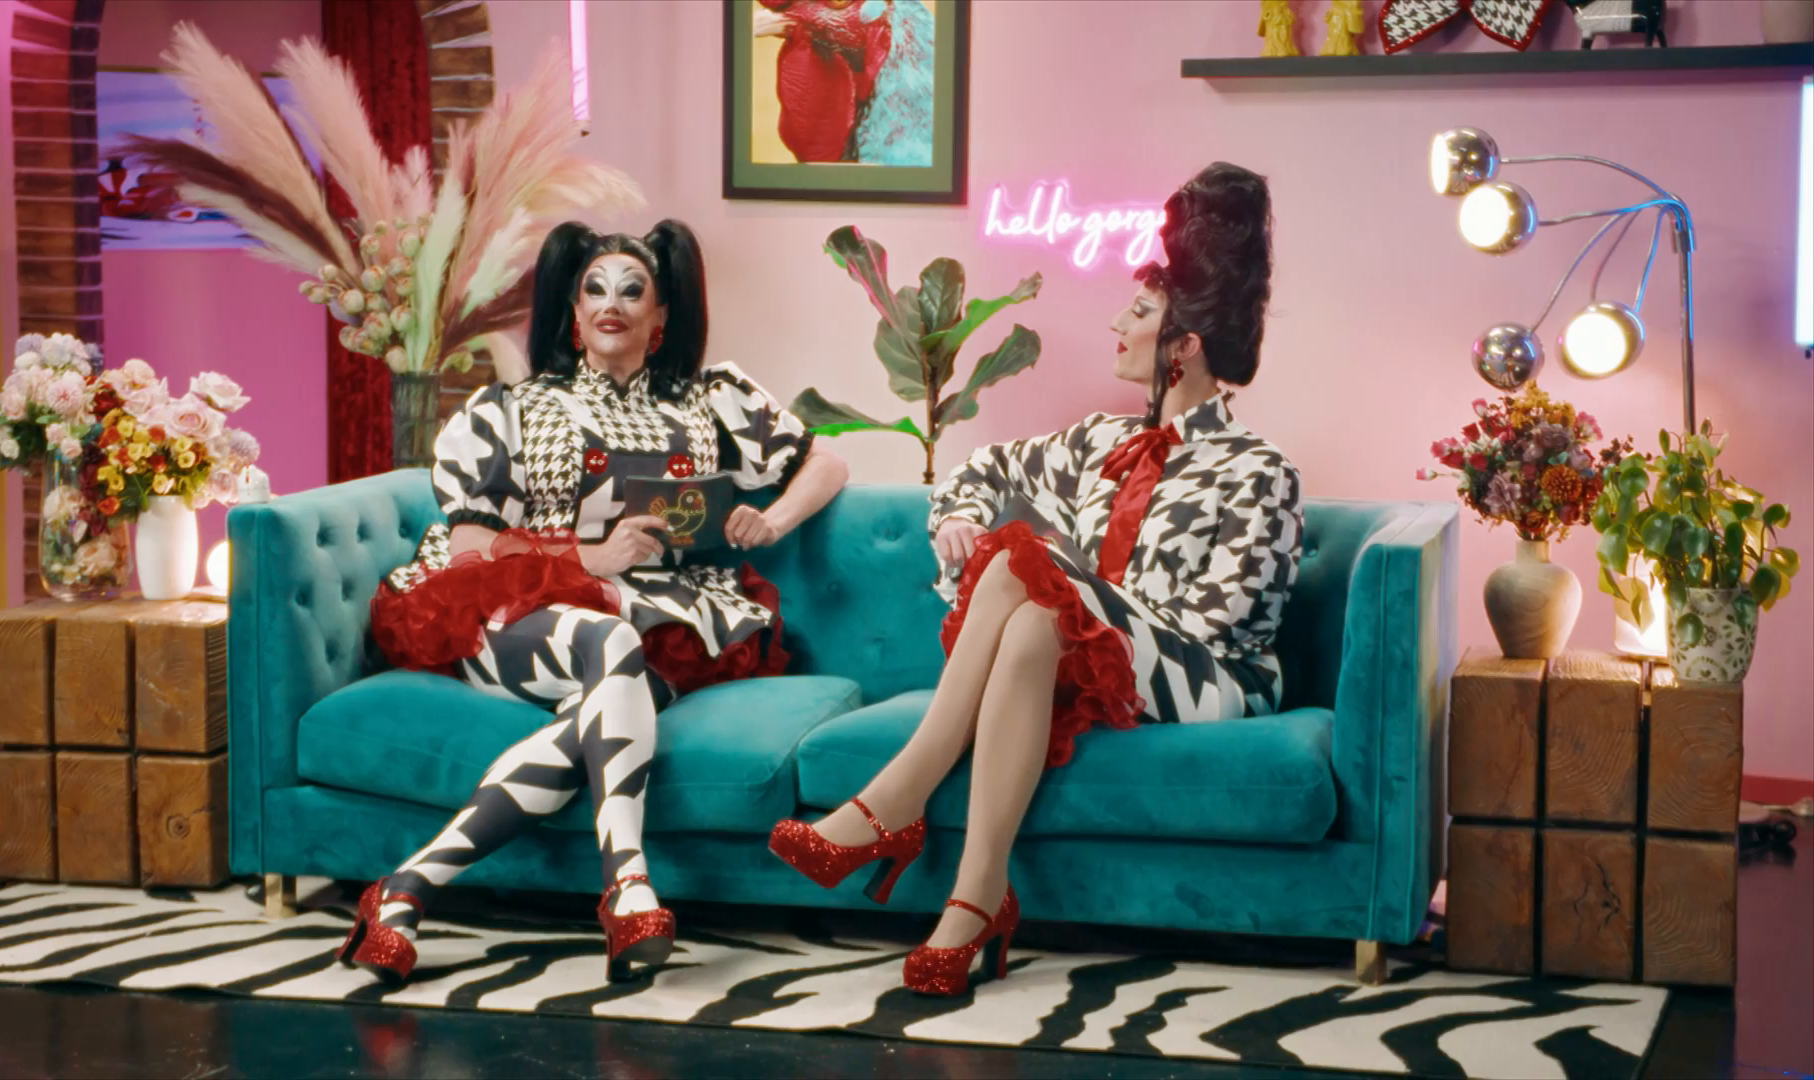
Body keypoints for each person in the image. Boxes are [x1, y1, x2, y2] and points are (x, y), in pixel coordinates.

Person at [768, 163, 1303, 996]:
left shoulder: (1258, 470)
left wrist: (1092, 605)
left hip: (1211, 680)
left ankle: (893, 802)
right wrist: (958, 516)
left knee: (1037, 568)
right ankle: (977, 899)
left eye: (1139, 312)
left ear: (1185, 346)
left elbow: (1229, 625)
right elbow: (982, 468)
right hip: (1095, 651)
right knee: (1033, 621)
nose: (1117, 325)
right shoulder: (1098, 442)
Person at [342, 219, 848, 986]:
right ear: (574, 313)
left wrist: (770, 520)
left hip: (662, 615)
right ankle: (629, 884)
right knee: (610, 645)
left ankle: (404, 889)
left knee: (602, 703)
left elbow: (827, 462)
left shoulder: (712, 400)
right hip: (516, 606)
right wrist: (590, 558)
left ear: (661, 314)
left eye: (633, 290)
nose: (612, 303)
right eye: (595, 290)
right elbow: (474, 551)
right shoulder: (512, 408)